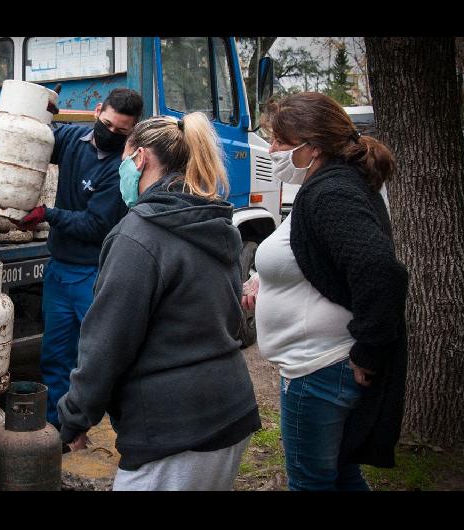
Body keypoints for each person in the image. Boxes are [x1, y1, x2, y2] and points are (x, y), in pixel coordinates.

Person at [56, 113, 261, 491]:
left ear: (140, 159)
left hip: (174, 431)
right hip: (232, 411)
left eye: (123, 160)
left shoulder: (138, 236)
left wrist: (73, 419)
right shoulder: (216, 221)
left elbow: (106, 344)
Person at [242, 92, 409, 491]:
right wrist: (267, 279)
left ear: (311, 147)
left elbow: (380, 271)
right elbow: (318, 253)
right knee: (341, 473)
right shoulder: (326, 184)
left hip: (319, 367)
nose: (272, 151)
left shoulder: (332, 193)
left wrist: (368, 351)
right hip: (323, 365)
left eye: (279, 143)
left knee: (311, 482)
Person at [16, 87, 143, 430]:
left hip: (93, 273)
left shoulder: (122, 170)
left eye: (122, 131)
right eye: (108, 124)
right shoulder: (73, 138)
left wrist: (47, 214)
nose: (111, 134)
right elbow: (36, 142)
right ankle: (59, 427)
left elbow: (95, 224)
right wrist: (37, 116)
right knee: (55, 353)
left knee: (99, 357)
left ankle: (117, 424)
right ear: (97, 110)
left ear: (133, 130)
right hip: (59, 269)